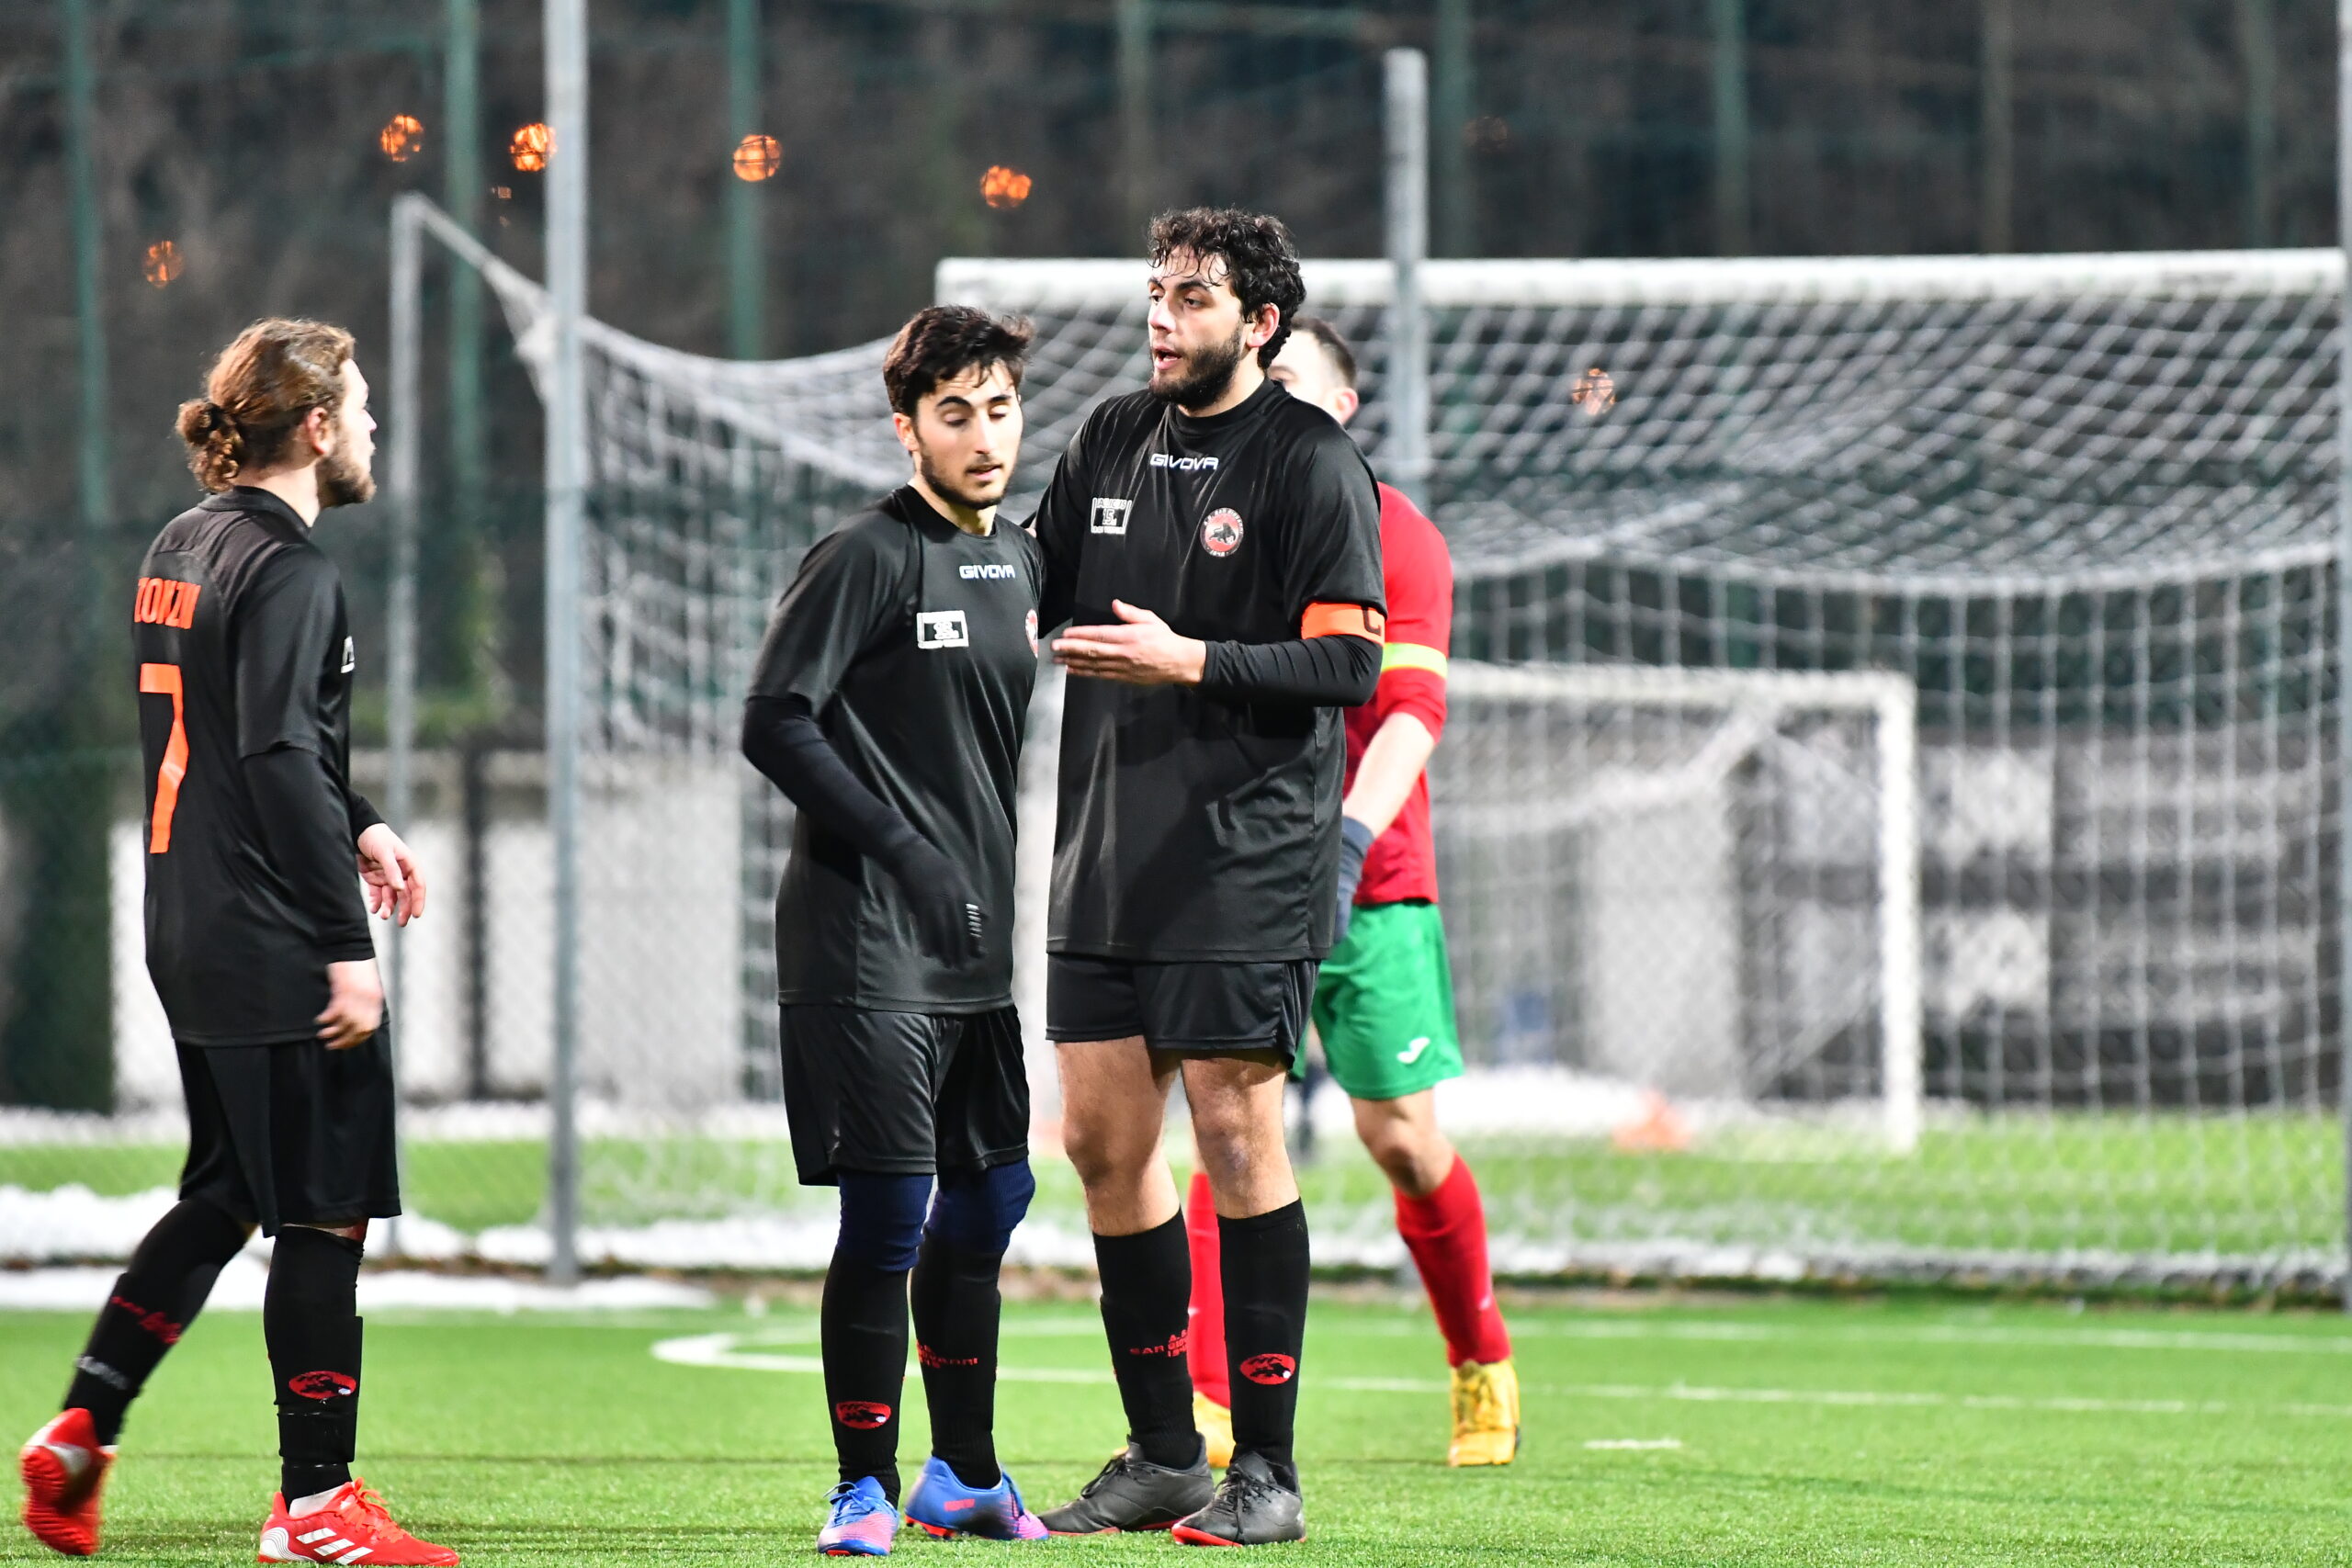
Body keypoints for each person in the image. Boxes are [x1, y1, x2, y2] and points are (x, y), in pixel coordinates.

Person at [17, 320, 452, 1565]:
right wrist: (343, 943)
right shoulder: (298, 569)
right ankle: (317, 1504)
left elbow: (245, 734)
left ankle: (84, 1423)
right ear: (315, 426)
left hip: (186, 920)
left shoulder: (182, 541)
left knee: (229, 1190)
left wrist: (360, 821)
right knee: (322, 1215)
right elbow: (270, 752)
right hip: (270, 934)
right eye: (359, 406)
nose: (369, 427)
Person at [1029, 209, 1385, 1547]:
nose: (1162, 316)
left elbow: (1349, 667)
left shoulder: (1309, 461)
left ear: (1261, 323)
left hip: (1245, 857)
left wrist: (1194, 660)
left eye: (1190, 296)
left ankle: (1269, 1472)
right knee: (1103, 1145)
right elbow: (1034, 580)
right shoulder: (1111, 437)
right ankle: (1167, 1450)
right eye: (1155, 293)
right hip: (1102, 854)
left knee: (1236, 1136)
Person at [738, 306, 1047, 1558]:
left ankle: (961, 1473)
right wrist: (907, 849)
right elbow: (773, 719)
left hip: (971, 946)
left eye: (1001, 407)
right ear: (907, 426)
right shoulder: (865, 554)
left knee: (994, 1198)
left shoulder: (1023, 560)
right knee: (892, 1214)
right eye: (956, 412)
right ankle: (860, 1484)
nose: (984, 434)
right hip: (863, 940)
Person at [1183, 316, 1518, 1472]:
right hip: (1239, 880)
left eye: (1292, 385)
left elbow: (1411, 718)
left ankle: (1480, 1358)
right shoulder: (1222, 529)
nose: (1270, 405)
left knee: (1401, 1141)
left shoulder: (1400, 537)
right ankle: (1213, 1410)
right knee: (1228, 1124)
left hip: (1371, 882)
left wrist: (1346, 842)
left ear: (1344, 408)